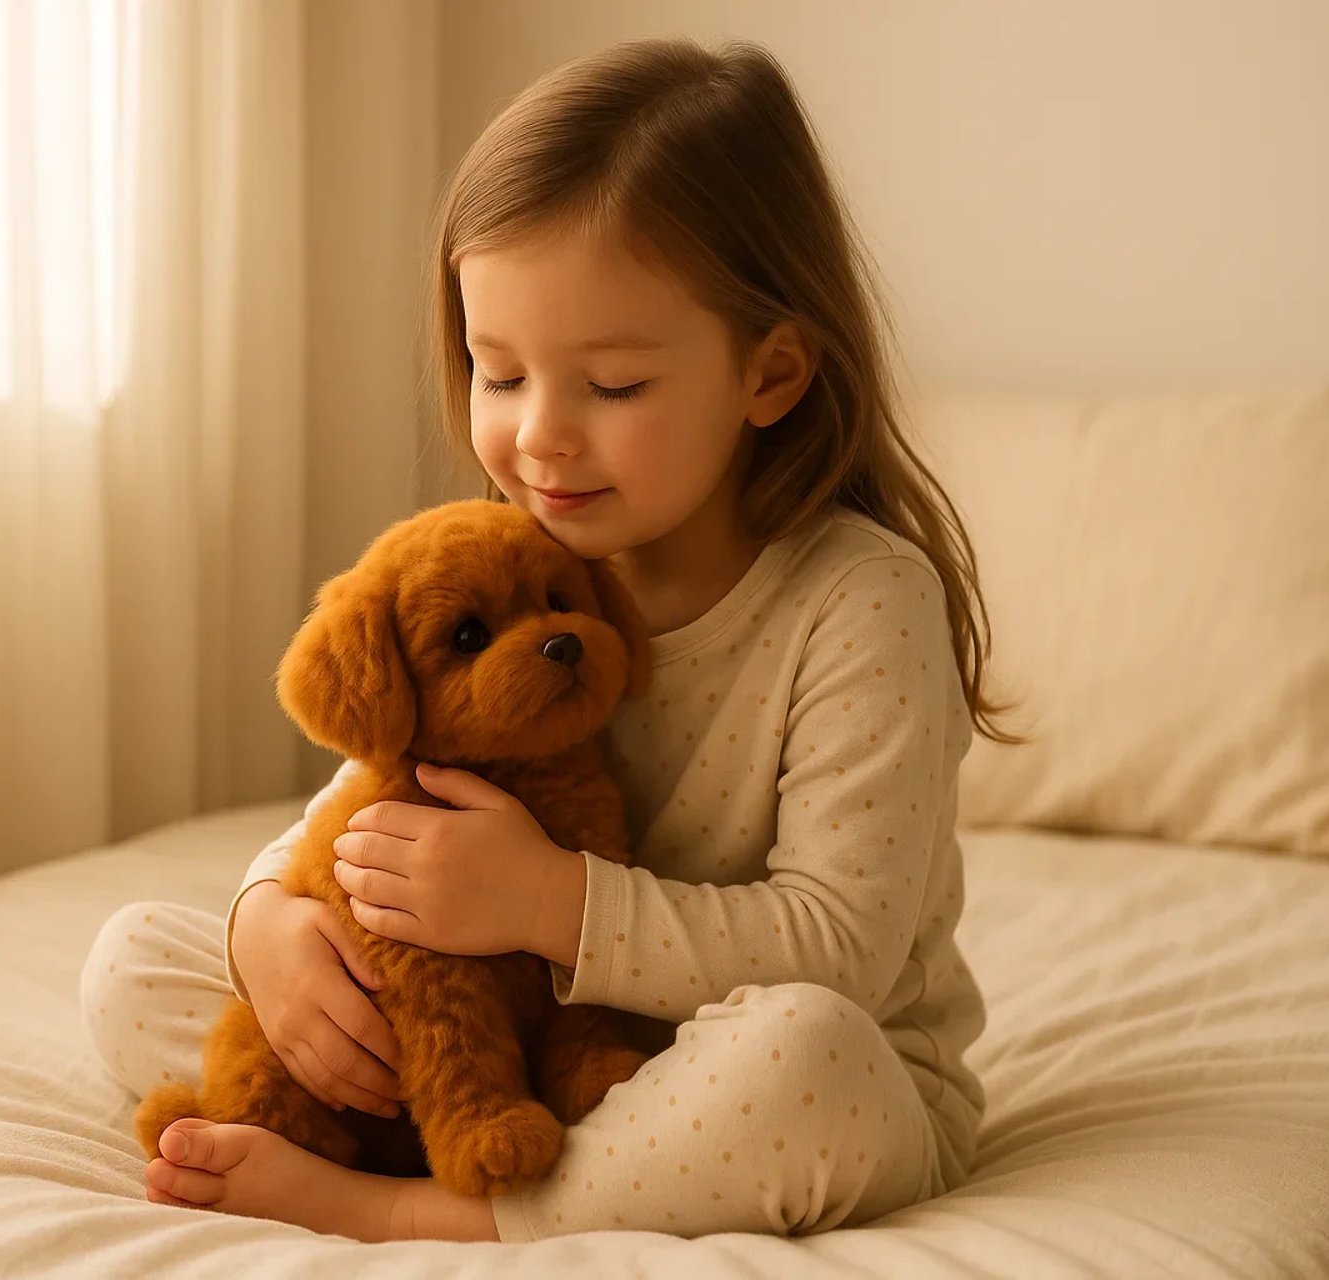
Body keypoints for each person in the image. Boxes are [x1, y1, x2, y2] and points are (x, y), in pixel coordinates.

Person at [80, 34, 1016, 1243]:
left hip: (770, 1062)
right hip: (517, 1040)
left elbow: (839, 950)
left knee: (809, 1059)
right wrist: (269, 925)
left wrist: (546, 902)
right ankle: (443, 1114)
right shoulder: (532, 552)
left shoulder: (861, 600)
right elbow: (367, 797)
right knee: (131, 959)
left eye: (612, 385)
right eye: (500, 373)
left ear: (771, 372)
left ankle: (401, 1206)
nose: (540, 438)